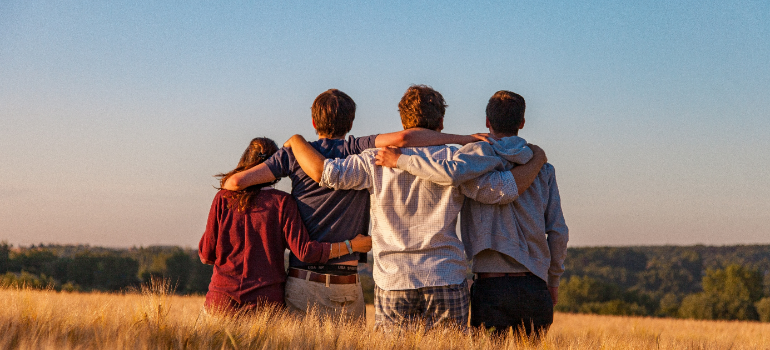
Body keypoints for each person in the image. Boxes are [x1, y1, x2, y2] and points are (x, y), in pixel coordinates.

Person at [285, 85, 547, 331]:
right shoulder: (456, 160)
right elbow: (503, 191)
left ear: (402, 122)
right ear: (441, 123)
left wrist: (296, 141)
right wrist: (537, 160)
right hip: (445, 275)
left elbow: (327, 174)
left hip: (394, 279)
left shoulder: (374, 160)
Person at [221, 89, 486, 320]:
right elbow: (405, 139)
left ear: (314, 121)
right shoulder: (358, 148)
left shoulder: (293, 154)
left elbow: (234, 184)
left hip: (302, 279)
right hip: (346, 282)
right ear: (351, 122)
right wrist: (464, 139)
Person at [376, 90, 568, 338]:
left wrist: (401, 160)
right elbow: (558, 231)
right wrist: (553, 280)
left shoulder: (470, 160)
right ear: (521, 123)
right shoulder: (543, 168)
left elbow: (449, 174)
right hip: (535, 285)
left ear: (487, 122)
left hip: (490, 286)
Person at [198, 137, 372, 315]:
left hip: (221, 302)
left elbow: (206, 255)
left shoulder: (223, 198)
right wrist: (352, 246)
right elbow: (305, 252)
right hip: (265, 306)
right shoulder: (282, 202)